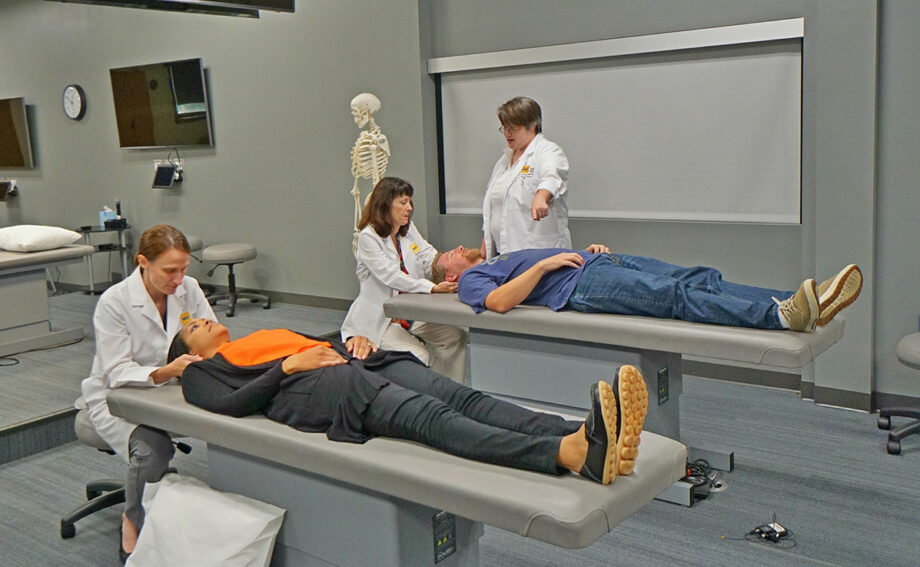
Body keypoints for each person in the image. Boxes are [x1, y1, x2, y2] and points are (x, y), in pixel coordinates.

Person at [174, 318, 649, 486]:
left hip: (366, 363)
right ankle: (567, 454)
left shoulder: (258, 333)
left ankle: (581, 431)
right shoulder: (200, 373)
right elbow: (232, 405)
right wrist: (287, 369)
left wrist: (355, 340)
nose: (201, 319)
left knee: (466, 397)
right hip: (327, 392)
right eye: (192, 327)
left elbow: (316, 342)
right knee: (434, 418)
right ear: (190, 352)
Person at [79, 224, 216, 561]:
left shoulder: (189, 289)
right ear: (143, 261)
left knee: (231, 425)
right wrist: (167, 371)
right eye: (170, 270)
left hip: (174, 387)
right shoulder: (115, 302)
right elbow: (116, 370)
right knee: (153, 449)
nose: (179, 279)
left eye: (184, 269)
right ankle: (132, 521)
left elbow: (214, 338)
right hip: (118, 396)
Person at [432, 245, 863, 333]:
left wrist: (586, 250)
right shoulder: (472, 280)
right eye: (445, 258)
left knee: (699, 277)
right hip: (581, 285)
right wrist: (545, 263)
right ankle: (779, 317)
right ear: (449, 277)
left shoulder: (494, 257)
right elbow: (499, 303)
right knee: (672, 297)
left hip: (599, 261)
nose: (453, 249)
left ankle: (796, 300)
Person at [341, 177, 468, 382]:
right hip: (382, 320)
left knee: (454, 337)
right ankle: (420, 401)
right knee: (418, 354)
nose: (409, 208)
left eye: (410, 202)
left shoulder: (406, 231)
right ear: (385, 205)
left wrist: (453, 263)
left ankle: (449, 393)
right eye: (403, 202)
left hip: (411, 314)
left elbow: (428, 255)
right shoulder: (369, 237)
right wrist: (432, 288)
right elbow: (390, 276)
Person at [481, 96, 571, 259]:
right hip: (504, 252)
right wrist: (488, 239)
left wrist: (541, 197)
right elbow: (497, 207)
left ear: (532, 126)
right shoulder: (504, 161)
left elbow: (552, 176)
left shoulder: (548, 151)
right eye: (504, 128)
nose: (507, 133)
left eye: (513, 128)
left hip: (539, 252)